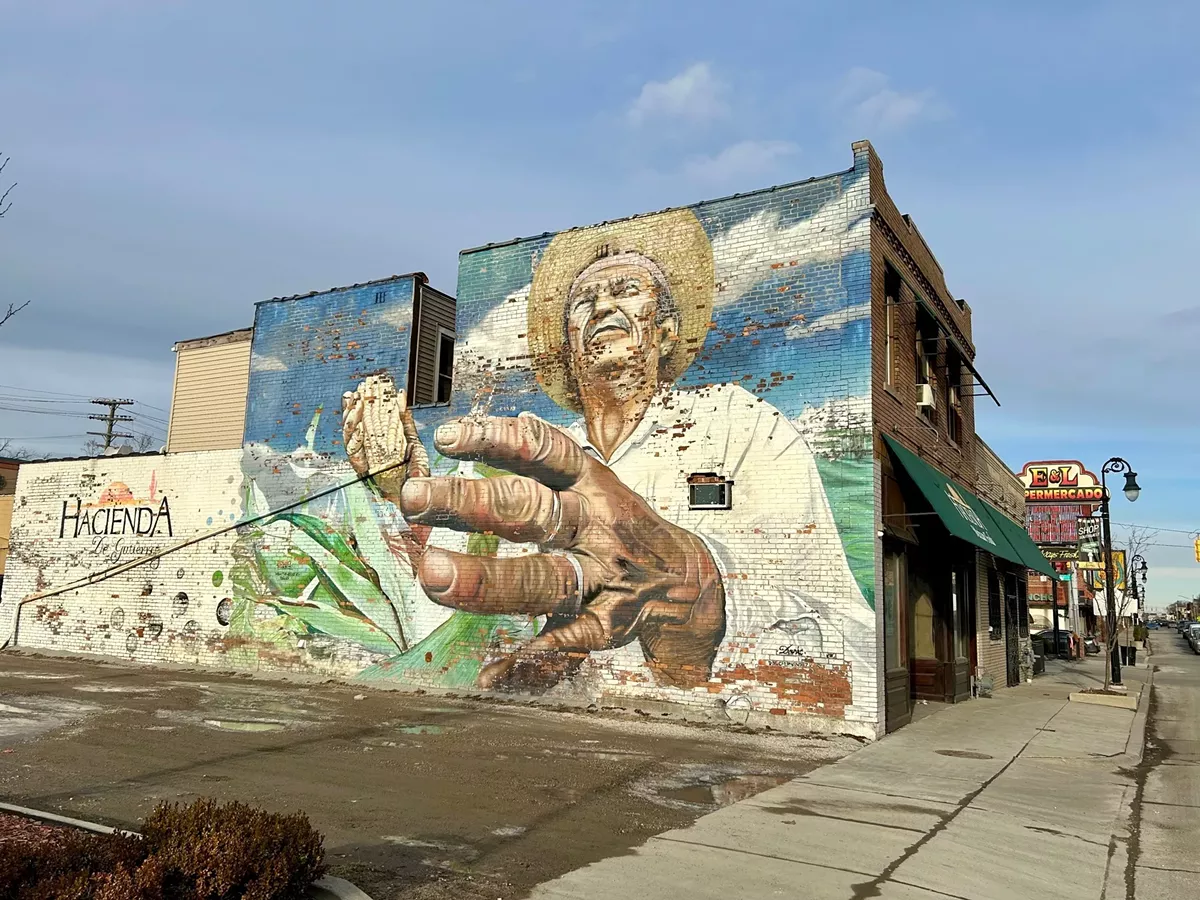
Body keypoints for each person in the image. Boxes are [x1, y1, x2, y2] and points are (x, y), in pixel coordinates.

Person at [342, 209, 875, 718]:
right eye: (584, 302)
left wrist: (703, 596)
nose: (601, 308)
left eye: (625, 291)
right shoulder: (524, 453)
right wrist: (404, 501)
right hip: (542, 738)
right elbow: (444, 609)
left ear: (666, 329)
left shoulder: (741, 425)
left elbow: (856, 639)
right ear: (568, 347)